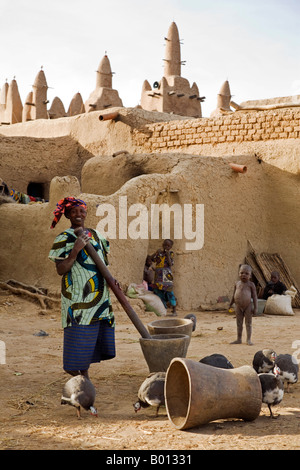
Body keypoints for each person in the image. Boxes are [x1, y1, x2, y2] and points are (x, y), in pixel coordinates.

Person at [48, 197, 115, 379]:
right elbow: (61, 269)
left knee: (91, 336)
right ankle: (77, 377)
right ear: (68, 215)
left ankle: (84, 378)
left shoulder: (97, 236)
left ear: (86, 213)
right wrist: (75, 250)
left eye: (81, 211)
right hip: (77, 298)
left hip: (98, 297)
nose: (78, 215)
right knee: (78, 334)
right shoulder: (64, 238)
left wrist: (112, 279)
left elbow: (103, 263)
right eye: (74, 212)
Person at [229, 264, 258, 346]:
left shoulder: (251, 285)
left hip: (248, 306)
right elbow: (234, 294)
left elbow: (255, 296)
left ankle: (248, 339)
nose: (243, 275)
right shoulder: (237, 283)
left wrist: (255, 308)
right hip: (238, 306)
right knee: (239, 323)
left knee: (248, 323)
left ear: (250, 275)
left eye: (246, 273)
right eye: (241, 273)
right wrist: (231, 304)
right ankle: (239, 339)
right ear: (238, 274)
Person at [151, 239, 177, 316]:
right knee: (159, 293)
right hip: (158, 276)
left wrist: (168, 254)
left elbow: (170, 263)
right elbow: (152, 259)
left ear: (171, 247)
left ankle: (174, 310)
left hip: (166, 277)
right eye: (165, 245)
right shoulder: (159, 254)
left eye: (168, 246)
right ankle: (163, 309)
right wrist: (156, 252)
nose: (166, 247)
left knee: (169, 292)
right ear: (162, 245)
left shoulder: (171, 254)